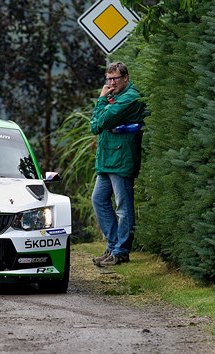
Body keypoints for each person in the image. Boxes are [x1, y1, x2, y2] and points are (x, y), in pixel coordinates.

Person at [90, 61, 145, 267]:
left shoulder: (130, 98)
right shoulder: (115, 96)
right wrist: (104, 106)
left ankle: (121, 252)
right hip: (107, 159)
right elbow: (96, 125)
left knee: (123, 207)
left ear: (126, 78)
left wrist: (101, 100)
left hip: (121, 159)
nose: (111, 83)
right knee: (99, 200)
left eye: (115, 79)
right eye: (108, 79)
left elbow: (99, 124)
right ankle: (113, 246)